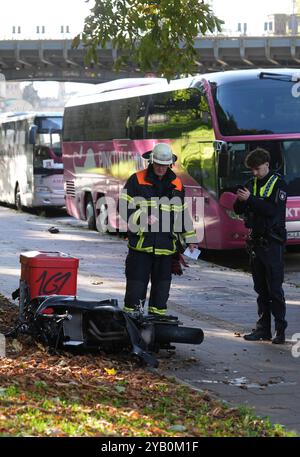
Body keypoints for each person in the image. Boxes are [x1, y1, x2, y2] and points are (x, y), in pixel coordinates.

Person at [119, 143, 198, 317]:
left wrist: (191, 239)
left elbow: (181, 213)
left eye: (165, 165)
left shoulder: (176, 183)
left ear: (170, 164)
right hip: (141, 247)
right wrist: (141, 218)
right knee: (135, 290)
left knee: (161, 294)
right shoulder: (136, 180)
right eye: (158, 164)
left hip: (166, 248)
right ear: (151, 161)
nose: (161, 168)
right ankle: (131, 326)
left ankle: (156, 327)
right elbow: (123, 207)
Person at [234, 147, 288, 344]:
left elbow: (272, 210)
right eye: (252, 170)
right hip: (256, 244)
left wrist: (251, 200)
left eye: (257, 169)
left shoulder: (279, 183)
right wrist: (240, 201)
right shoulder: (251, 183)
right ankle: (263, 329)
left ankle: (280, 330)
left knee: (275, 289)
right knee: (261, 290)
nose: (254, 173)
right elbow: (240, 209)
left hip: (272, 244)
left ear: (267, 164)